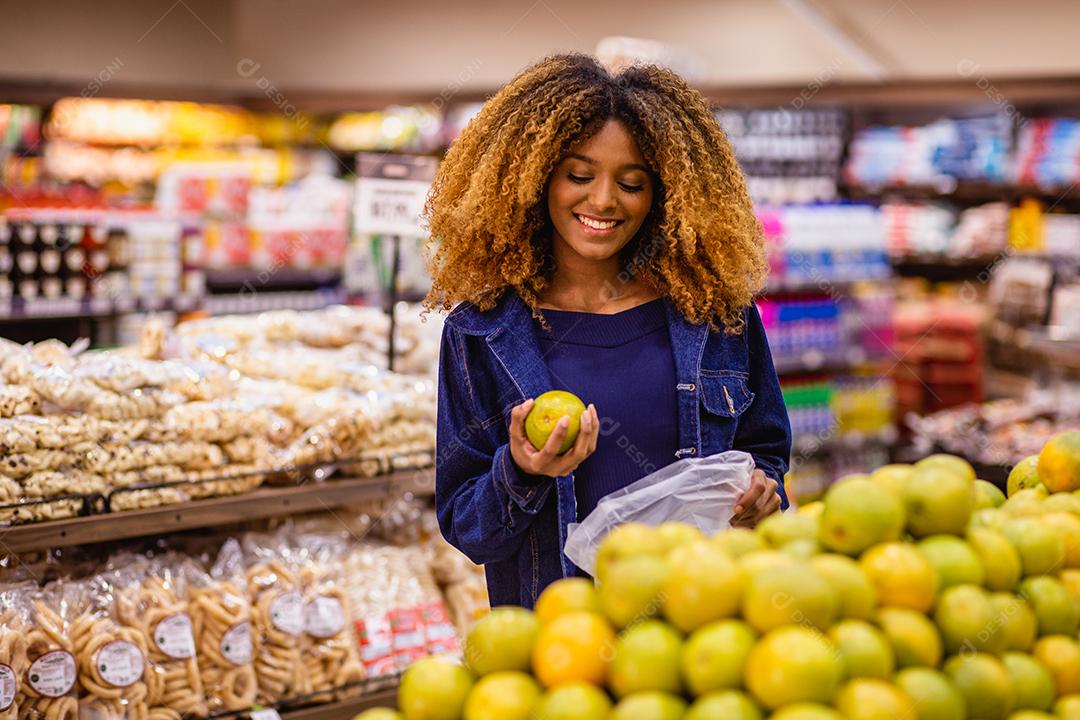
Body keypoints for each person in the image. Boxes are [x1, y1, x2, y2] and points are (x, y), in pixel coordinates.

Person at [423, 53, 792, 608]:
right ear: (531, 178)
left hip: (701, 630)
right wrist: (523, 470)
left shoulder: (717, 317)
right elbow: (469, 529)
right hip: (560, 643)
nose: (602, 200)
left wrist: (763, 495)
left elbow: (764, 458)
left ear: (666, 194)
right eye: (578, 175)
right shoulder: (480, 333)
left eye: (632, 182)